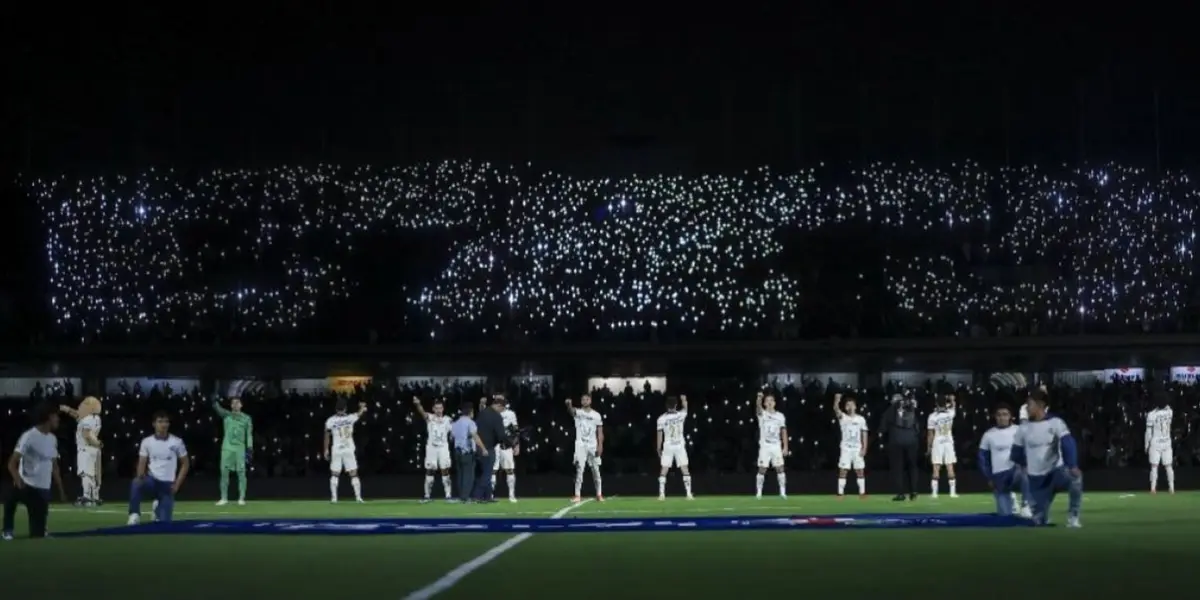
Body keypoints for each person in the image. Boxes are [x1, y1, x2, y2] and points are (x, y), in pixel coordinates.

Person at [1011, 388, 1082, 528]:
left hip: (1056, 472)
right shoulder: (1023, 428)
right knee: (1038, 521)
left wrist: (1072, 465)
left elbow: (1068, 442)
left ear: (1040, 405)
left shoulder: (1055, 422)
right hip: (1036, 479)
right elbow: (1016, 453)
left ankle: (1073, 517)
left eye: (1029, 404)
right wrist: (1024, 465)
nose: (1027, 408)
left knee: (1075, 478)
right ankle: (1041, 515)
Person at [3, 403, 67, 540]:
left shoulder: (52, 439)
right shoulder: (29, 436)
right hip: (27, 486)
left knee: (37, 535)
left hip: (43, 489)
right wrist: (19, 482)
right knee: (10, 498)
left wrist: (60, 489)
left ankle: (40, 530)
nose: (58, 420)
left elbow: (54, 466)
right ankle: (7, 531)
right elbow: (11, 463)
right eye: (56, 416)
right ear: (49, 417)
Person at [127, 411, 189, 525]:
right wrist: (141, 476)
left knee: (164, 522)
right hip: (152, 481)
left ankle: (157, 507)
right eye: (160, 421)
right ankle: (134, 514)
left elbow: (185, 464)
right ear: (154, 424)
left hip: (167, 485)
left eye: (166, 422)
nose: (163, 425)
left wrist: (177, 485)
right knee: (136, 482)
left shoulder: (177, 442)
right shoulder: (147, 441)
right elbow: (142, 462)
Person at [977, 404, 1032, 517]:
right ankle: (1011, 501)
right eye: (999, 415)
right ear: (995, 417)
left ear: (1010, 416)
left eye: (1005, 414)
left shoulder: (1019, 430)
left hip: (1015, 472)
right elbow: (983, 459)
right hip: (999, 476)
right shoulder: (988, 435)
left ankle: (1026, 505)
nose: (1002, 418)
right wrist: (989, 477)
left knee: (1025, 471)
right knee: (1005, 517)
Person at [60, 396, 103, 506]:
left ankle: (87, 496)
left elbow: (86, 434)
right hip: (93, 449)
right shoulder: (96, 418)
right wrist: (68, 410)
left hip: (86, 448)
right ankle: (95, 496)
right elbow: (78, 415)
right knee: (93, 474)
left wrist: (96, 442)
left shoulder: (88, 420)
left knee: (85, 473)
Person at [324, 398, 367, 503]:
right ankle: (358, 498)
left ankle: (334, 498)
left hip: (336, 449)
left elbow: (326, 436)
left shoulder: (330, 421)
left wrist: (325, 449)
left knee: (335, 474)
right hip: (348, 448)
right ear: (345, 408)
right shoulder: (350, 418)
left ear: (336, 408)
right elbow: (359, 414)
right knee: (354, 473)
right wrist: (362, 407)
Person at [212, 396, 253, 506]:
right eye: (233, 403)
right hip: (227, 449)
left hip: (240, 449)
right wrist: (214, 401)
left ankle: (241, 498)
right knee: (224, 473)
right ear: (231, 406)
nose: (235, 404)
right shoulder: (227, 415)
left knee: (241, 473)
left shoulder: (247, 418)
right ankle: (224, 498)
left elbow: (249, 434)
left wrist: (249, 448)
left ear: (241, 405)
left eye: (237, 402)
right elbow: (217, 408)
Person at [880, 393, 921, 500]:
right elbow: (918, 426)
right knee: (912, 466)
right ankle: (914, 492)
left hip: (896, 440)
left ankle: (900, 493)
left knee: (897, 468)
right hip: (911, 439)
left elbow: (883, 428)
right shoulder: (911, 409)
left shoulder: (889, 411)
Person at [412, 396, 453, 502]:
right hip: (432, 448)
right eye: (436, 408)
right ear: (433, 409)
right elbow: (422, 413)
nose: (439, 410)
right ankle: (427, 496)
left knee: (445, 470)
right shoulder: (430, 418)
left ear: (443, 409)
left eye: (440, 408)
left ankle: (448, 495)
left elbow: (453, 433)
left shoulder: (448, 420)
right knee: (430, 471)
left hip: (443, 447)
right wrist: (418, 404)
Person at [566, 395, 604, 503]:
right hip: (580, 444)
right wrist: (569, 405)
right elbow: (571, 411)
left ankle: (599, 494)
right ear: (581, 401)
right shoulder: (578, 412)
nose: (585, 401)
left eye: (587, 399)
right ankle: (577, 495)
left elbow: (600, 431)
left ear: (590, 401)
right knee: (579, 469)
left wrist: (600, 445)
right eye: (583, 399)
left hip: (593, 445)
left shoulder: (596, 415)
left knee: (596, 470)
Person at [656, 394, 693, 500]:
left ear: (666, 405)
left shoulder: (661, 419)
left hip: (668, 445)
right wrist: (684, 400)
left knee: (664, 469)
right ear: (676, 405)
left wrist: (658, 448)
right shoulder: (680, 415)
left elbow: (659, 435)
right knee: (684, 468)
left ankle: (661, 494)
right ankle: (689, 494)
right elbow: (686, 408)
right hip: (679, 445)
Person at [753, 392, 789, 499]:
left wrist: (785, 446)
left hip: (776, 445)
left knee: (780, 468)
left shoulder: (780, 416)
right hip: (765, 445)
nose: (769, 402)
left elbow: (784, 432)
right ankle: (759, 492)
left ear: (774, 403)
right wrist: (759, 398)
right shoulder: (762, 414)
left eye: (771, 401)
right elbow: (758, 407)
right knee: (762, 469)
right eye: (767, 401)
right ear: (765, 403)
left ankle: (782, 492)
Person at [472, 396, 507, 502]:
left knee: (483, 473)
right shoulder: (496, 416)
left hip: (477, 446)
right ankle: (477, 496)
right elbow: (501, 435)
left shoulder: (483, 412)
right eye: (502, 409)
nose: (502, 411)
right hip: (488, 448)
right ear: (499, 405)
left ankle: (488, 496)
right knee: (487, 474)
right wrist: (509, 443)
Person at [832, 392, 867, 498]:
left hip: (857, 449)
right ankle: (840, 493)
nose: (850, 406)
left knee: (860, 470)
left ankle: (862, 493)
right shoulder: (843, 418)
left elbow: (864, 433)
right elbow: (836, 409)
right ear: (846, 407)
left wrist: (864, 448)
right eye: (848, 405)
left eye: (852, 404)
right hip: (846, 448)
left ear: (855, 406)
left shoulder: (861, 419)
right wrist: (837, 399)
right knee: (843, 470)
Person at [450, 403, 487, 503]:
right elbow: (475, 436)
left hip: (457, 452)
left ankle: (461, 495)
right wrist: (483, 448)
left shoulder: (455, 423)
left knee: (460, 475)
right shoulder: (470, 423)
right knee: (468, 475)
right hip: (467, 452)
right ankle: (465, 497)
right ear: (470, 412)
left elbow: (452, 437)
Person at [926, 393, 959, 498]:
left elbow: (930, 434)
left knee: (936, 467)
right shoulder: (950, 413)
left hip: (938, 442)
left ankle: (934, 493)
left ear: (936, 403)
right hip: (948, 442)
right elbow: (954, 405)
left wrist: (929, 447)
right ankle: (952, 493)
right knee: (950, 466)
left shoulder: (932, 416)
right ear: (945, 403)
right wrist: (951, 399)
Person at [490, 396, 520, 503]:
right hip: (494, 445)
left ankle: (511, 495)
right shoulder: (491, 413)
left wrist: (516, 445)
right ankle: (490, 495)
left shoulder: (511, 414)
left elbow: (516, 430)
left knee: (510, 469)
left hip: (506, 444)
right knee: (493, 470)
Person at [1145, 394, 1175, 494]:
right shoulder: (1170, 412)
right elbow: (1168, 407)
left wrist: (1146, 444)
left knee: (1154, 466)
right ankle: (1172, 488)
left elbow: (1148, 432)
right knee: (1169, 466)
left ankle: (1153, 488)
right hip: (1167, 441)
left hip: (1156, 442)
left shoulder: (1151, 415)